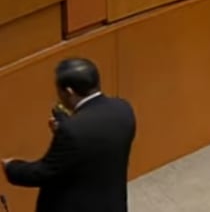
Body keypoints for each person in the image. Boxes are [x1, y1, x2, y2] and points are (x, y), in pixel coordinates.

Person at [2, 58, 136, 212]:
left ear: (69, 92)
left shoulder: (71, 132)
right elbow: (96, 143)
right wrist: (65, 129)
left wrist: (12, 167)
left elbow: (44, 172)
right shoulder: (123, 109)